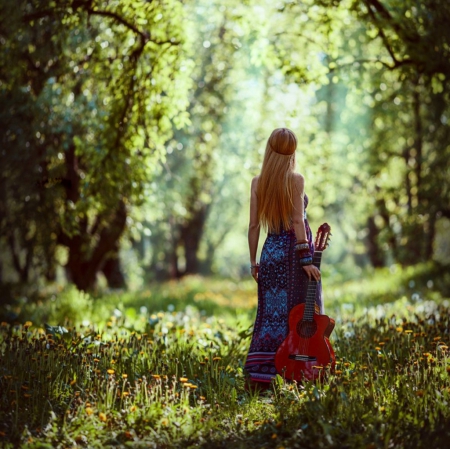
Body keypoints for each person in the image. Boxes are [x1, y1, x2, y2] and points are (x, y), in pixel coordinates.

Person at [244, 127, 322, 388]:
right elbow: (299, 222)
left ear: (268, 148)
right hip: (292, 257)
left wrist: (254, 262)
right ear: (293, 152)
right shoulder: (296, 179)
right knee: (299, 313)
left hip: (270, 254)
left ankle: (262, 373)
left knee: (270, 315)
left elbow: (254, 226)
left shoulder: (258, 182)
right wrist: (306, 260)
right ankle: (297, 370)